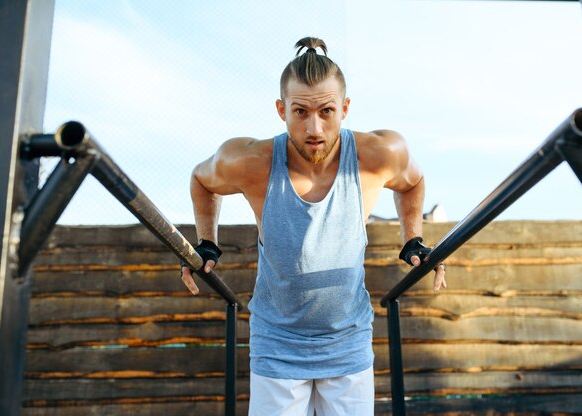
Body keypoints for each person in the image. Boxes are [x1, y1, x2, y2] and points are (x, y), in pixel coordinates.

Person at [181, 36, 447, 416]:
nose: (315, 128)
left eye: (326, 111)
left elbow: (413, 181)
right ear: (281, 110)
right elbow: (202, 180)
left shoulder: (377, 156)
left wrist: (414, 238)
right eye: (300, 112)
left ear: (345, 108)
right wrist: (206, 243)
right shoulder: (251, 161)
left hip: (347, 344)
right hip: (277, 343)